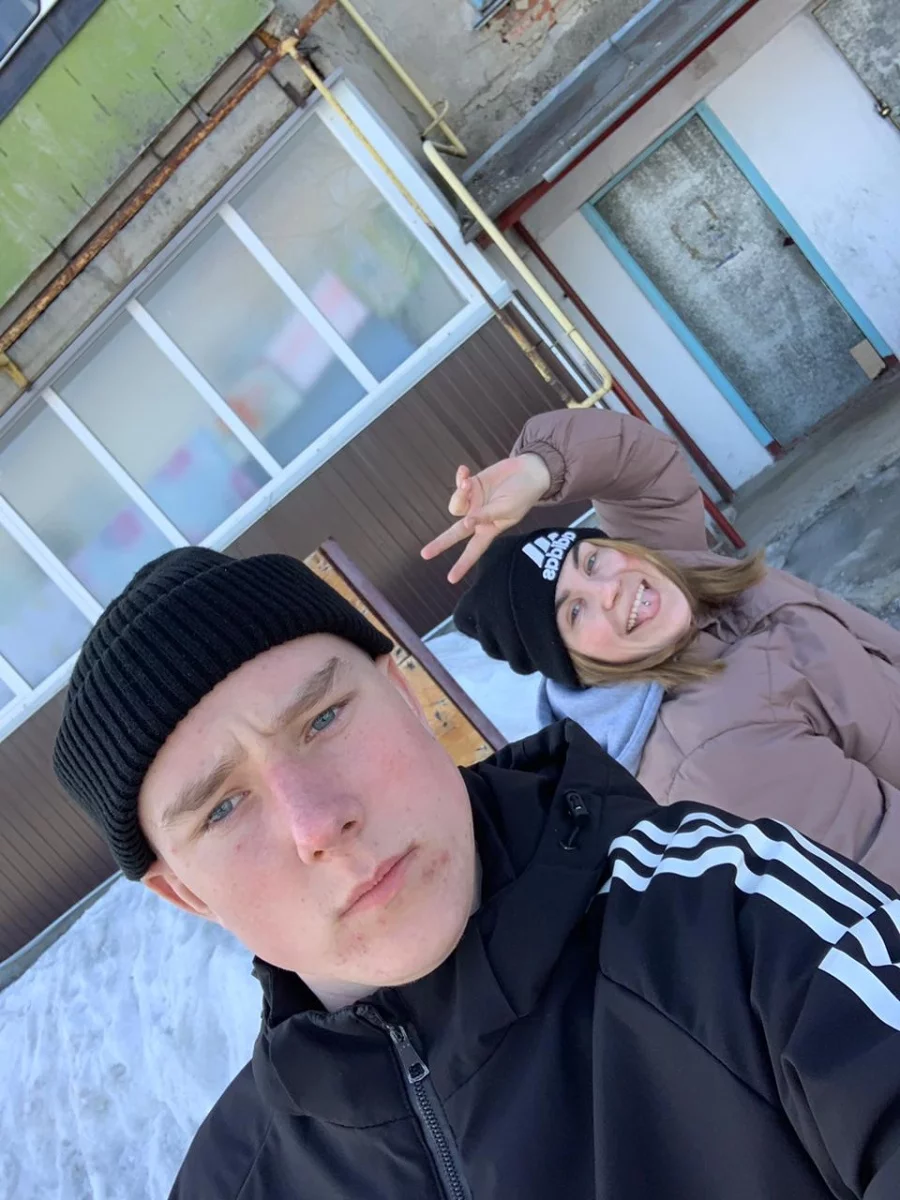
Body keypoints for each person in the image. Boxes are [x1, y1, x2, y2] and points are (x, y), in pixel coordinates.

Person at [53, 546, 900, 1199]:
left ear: (406, 696)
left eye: (323, 719)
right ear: (184, 893)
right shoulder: (232, 1183)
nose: (318, 824)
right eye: (223, 809)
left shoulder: (727, 913)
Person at [421, 407, 900, 886]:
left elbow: (644, 465)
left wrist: (539, 467)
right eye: (575, 612)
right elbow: (879, 856)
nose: (609, 589)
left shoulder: (674, 582)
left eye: (591, 562)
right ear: (575, 668)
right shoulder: (710, 755)